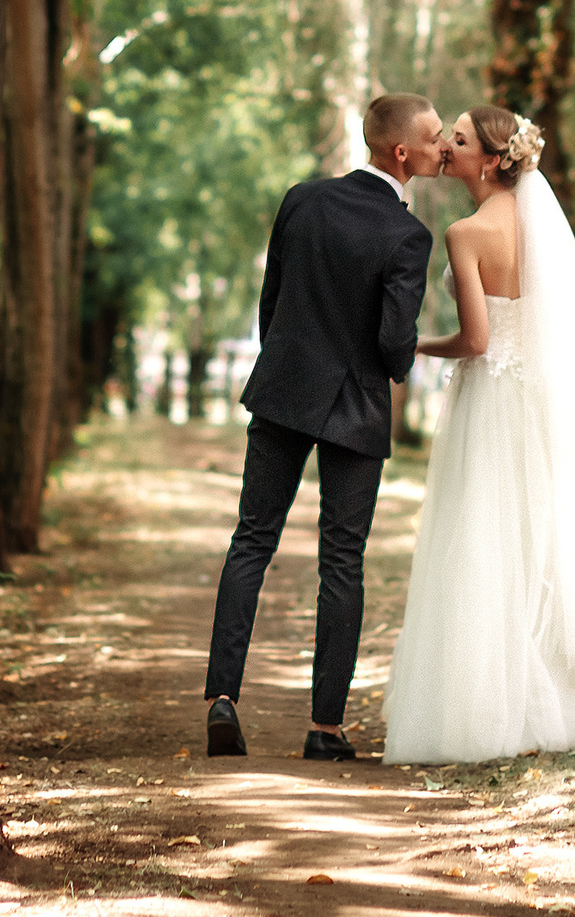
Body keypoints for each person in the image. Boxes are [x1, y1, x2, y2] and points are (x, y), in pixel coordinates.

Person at [383, 107, 575, 764]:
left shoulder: (464, 233)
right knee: (553, 537)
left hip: (492, 399)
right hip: (545, 400)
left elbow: (476, 339)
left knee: (486, 539)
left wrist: (413, 345)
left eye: (459, 140)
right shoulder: (540, 226)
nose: (446, 147)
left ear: (492, 160)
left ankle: (491, 705)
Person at [203, 92, 444, 763]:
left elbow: (271, 301)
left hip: (283, 389)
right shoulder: (407, 235)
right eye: (433, 137)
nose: (443, 146)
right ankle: (325, 730)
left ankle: (224, 698)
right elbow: (396, 343)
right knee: (342, 560)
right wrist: (398, 357)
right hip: (357, 405)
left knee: (251, 540)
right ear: (403, 153)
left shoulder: (301, 199)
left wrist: (282, 365)